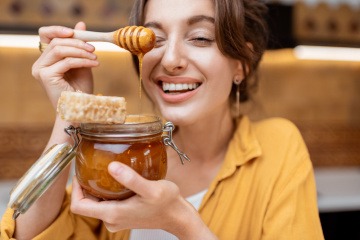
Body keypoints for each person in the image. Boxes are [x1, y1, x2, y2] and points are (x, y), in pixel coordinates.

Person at [0, 0, 324, 239]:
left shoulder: (278, 146)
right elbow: (27, 232)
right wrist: (72, 108)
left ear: (241, 64)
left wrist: (181, 223)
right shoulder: (125, 153)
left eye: (200, 37)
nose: (170, 61)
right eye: (154, 40)